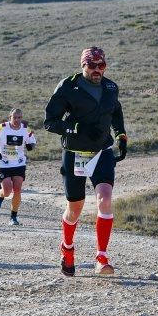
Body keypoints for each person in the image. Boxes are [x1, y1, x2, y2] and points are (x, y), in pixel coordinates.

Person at [44, 46, 127, 277]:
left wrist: (121, 135)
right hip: (74, 153)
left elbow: (116, 112)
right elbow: (50, 121)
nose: (97, 70)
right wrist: (76, 128)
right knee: (75, 209)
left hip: (102, 151)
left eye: (101, 66)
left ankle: (101, 256)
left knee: (105, 199)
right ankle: (67, 248)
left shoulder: (111, 87)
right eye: (92, 66)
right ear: (83, 65)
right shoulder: (68, 86)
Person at [0, 108, 37, 226]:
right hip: (3, 163)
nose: (17, 120)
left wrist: (31, 146)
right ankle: (0, 197)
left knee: (17, 189)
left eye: (19, 117)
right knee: (7, 191)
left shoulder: (26, 129)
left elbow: (33, 141)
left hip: (19, 163)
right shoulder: (2, 127)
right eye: (14, 117)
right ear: (10, 117)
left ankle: (13, 217)